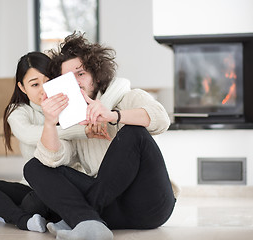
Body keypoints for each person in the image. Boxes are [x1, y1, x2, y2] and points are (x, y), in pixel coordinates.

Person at [24, 32, 179, 240]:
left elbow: (162, 119)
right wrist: (50, 123)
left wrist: (113, 115)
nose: (76, 82)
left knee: (134, 132)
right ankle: (89, 222)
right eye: (67, 78)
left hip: (149, 205)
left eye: (81, 74)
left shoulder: (128, 97)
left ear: (96, 75)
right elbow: (53, 159)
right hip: (110, 209)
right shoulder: (70, 121)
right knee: (34, 166)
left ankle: (78, 218)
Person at [0, 51, 131, 232]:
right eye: (34, 84)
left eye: (48, 80)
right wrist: (83, 130)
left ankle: (3, 212)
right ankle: (20, 218)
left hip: (66, 187)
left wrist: (98, 116)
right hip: (31, 185)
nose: (43, 89)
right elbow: (30, 135)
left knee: (33, 203)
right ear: (22, 87)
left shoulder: (71, 102)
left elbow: (122, 83)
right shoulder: (18, 112)